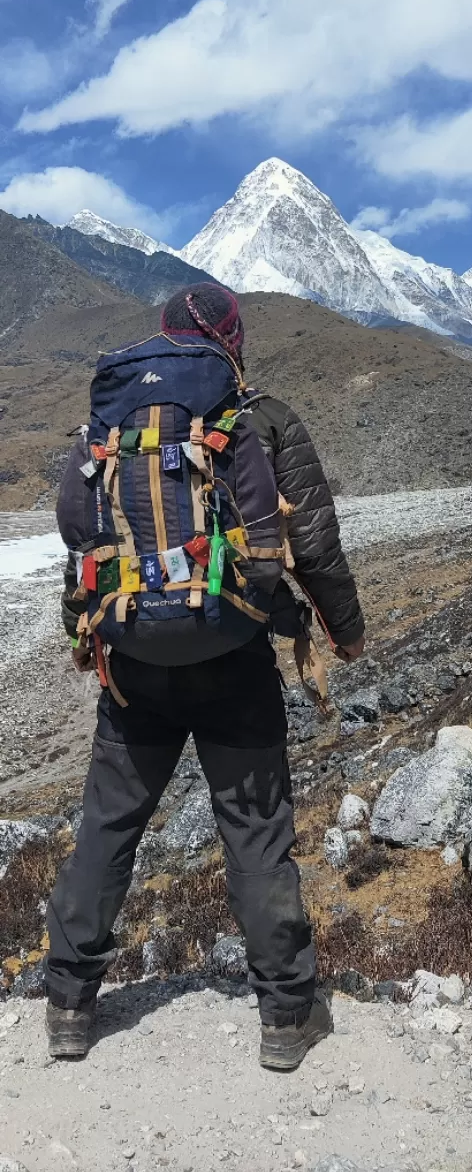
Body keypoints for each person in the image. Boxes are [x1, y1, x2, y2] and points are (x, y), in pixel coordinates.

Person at [46, 283, 365, 1067]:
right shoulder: (262, 418)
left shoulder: (114, 425)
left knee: (108, 826)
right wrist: (344, 635)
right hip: (234, 654)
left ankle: (67, 1007)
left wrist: (92, 631)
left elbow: (88, 546)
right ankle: (287, 1017)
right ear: (233, 339)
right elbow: (314, 542)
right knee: (255, 834)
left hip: (134, 665)